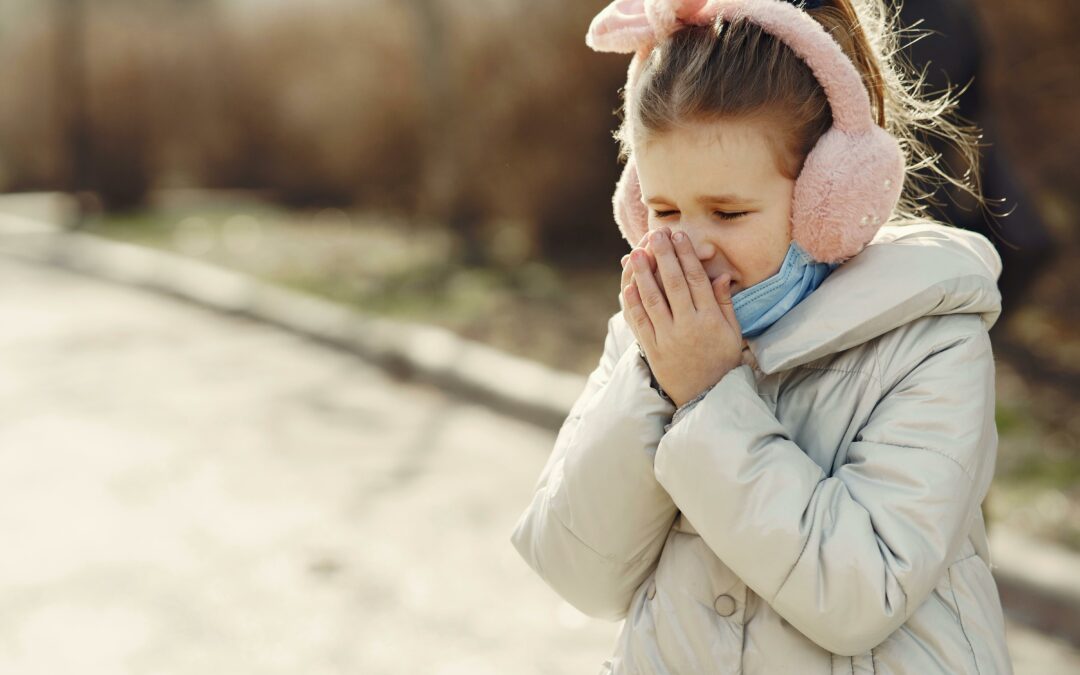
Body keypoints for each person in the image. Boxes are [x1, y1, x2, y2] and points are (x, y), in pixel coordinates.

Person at [509, 1, 1013, 673]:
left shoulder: (930, 340)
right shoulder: (645, 342)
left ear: (826, 200)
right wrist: (657, 383)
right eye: (663, 210)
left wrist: (711, 396)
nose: (691, 245)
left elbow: (859, 592)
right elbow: (577, 570)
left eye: (729, 211)